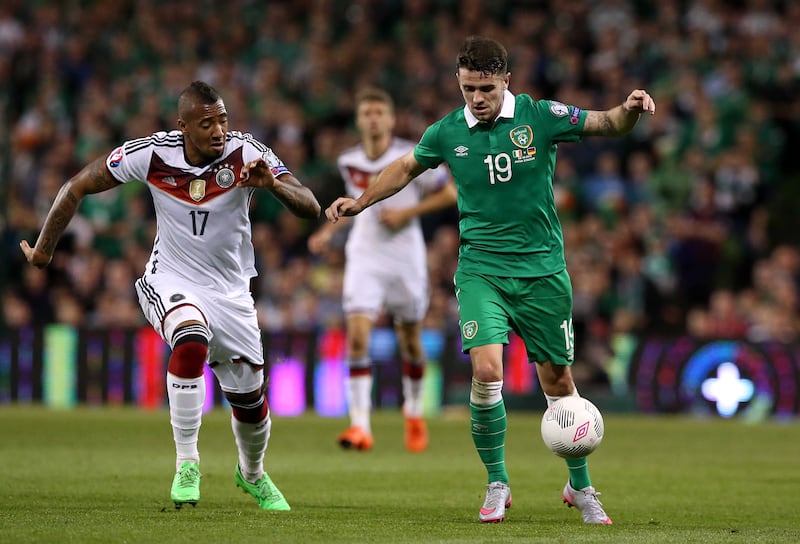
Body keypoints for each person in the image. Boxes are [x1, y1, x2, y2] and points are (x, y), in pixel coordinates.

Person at [325, 36, 656, 524]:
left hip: (543, 271)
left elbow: (607, 123)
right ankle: (497, 481)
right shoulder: (447, 131)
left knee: (559, 381)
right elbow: (403, 169)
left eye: (485, 88)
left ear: (506, 81)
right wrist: (360, 201)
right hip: (482, 270)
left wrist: (630, 108)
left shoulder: (540, 116)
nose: (476, 99)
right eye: (467, 89)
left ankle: (580, 486)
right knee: (486, 374)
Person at [20, 81, 321, 511]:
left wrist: (272, 185)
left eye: (223, 120)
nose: (219, 130)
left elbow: (310, 205)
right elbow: (77, 185)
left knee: (251, 402)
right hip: (172, 277)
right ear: (183, 128)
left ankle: (251, 474)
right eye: (207, 123)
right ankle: (187, 463)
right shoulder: (152, 154)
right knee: (190, 337)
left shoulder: (246, 152)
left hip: (232, 292)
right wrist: (44, 250)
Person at [308, 87, 456, 453]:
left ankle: (414, 412)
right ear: (359, 121)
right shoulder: (349, 161)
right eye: (367, 113)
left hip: (406, 257)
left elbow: (449, 194)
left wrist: (406, 213)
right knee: (357, 336)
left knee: (410, 341)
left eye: (379, 113)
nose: (373, 119)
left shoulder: (411, 156)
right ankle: (360, 425)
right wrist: (328, 230)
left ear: (390, 119)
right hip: (365, 255)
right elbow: (357, 206)